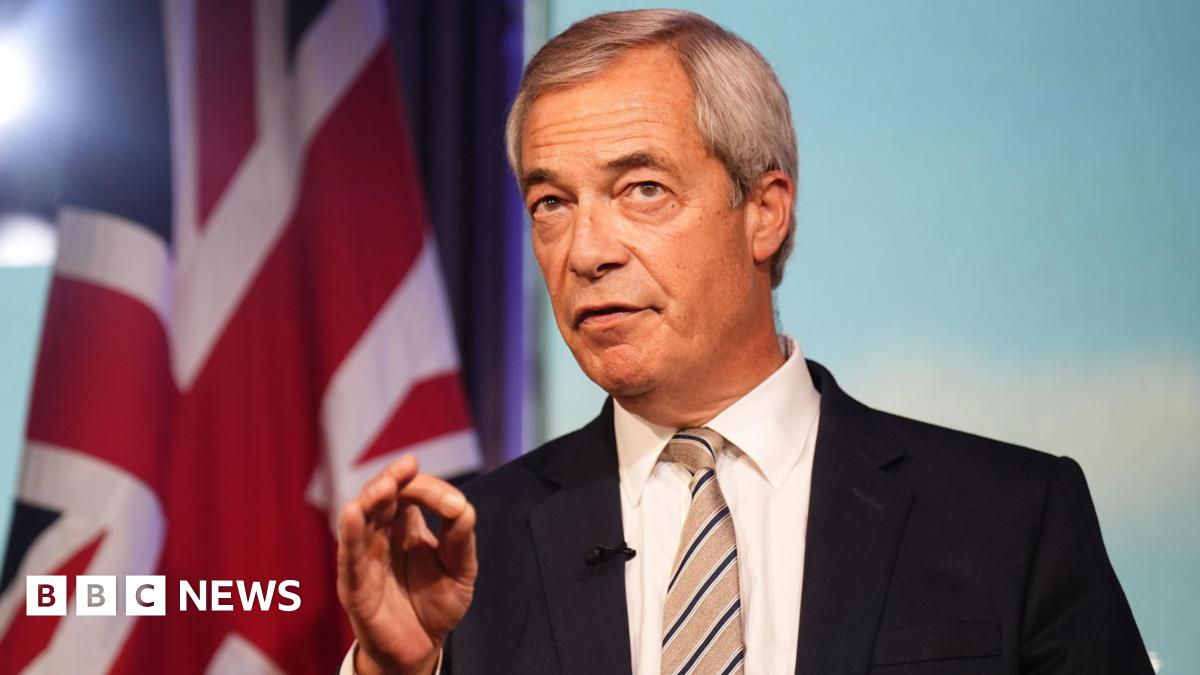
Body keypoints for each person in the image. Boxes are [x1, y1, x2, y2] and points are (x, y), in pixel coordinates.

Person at [335, 9, 1153, 675]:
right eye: (551, 203)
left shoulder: (1011, 517)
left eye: (641, 189)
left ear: (765, 210)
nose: (587, 251)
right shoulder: (468, 553)